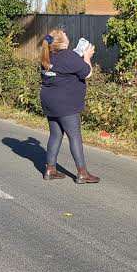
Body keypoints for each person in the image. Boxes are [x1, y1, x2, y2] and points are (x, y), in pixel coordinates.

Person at [38, 28, 100, 184]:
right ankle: (82, 173)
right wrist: (86, 56)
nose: (67, 35)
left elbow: (63, 68)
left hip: (49, 102)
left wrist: (77, 56)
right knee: (75, 137)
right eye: (65, 35)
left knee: (56, 134)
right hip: (66, 104)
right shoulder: (69, 56)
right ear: (62, 42)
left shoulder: (47, 56)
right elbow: (87, 73)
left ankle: (50, 169)